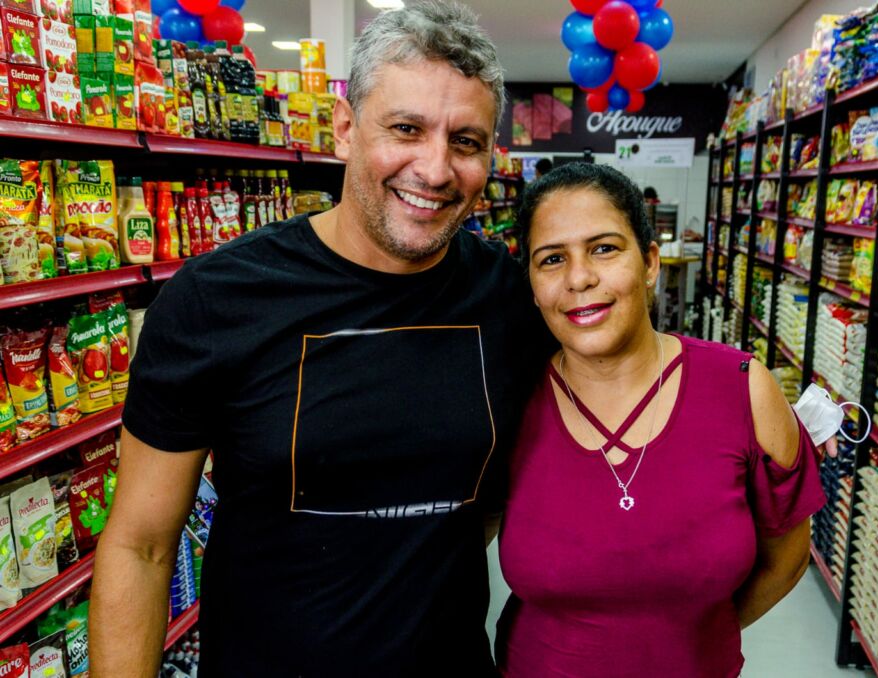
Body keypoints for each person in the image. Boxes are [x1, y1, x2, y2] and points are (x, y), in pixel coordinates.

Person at [89, 3, 546, 676]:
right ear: (345, 128)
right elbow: (142, 546)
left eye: (466, 141)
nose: (435, 169)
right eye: (406, 129)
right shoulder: (217, 298)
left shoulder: (510, 299)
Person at [496, 163, 826, 677]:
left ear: (650, 262)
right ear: (533, 285)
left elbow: (787, 557)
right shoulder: (508, 400)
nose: (579, 278)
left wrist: (695, 640)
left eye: (604, 248)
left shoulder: (742, 388)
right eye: (552, 259)